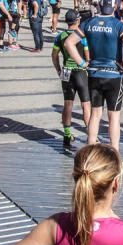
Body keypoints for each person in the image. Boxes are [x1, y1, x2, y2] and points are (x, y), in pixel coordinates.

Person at [65, 0, 123, 155]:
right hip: (113, 75)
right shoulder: (118, 25)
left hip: (94, 74)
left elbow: (69, 43)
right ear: (115, 6)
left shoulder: (88, 23)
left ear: (99, 5)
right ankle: (115, 155)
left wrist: (82, 63)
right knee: (114, 117)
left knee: (95, 114)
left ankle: (90, 152)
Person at [53, 10, 91, 152]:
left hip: (66, 71)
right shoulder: (82, 36)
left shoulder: (60, 36)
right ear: (78, 21)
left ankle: (67, 134)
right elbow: (87, 55)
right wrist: (87, 64)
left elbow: (54, 55)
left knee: (67, 103)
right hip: (81, 72)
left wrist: (58, 69)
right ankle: (90, 135)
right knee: (86, 105)